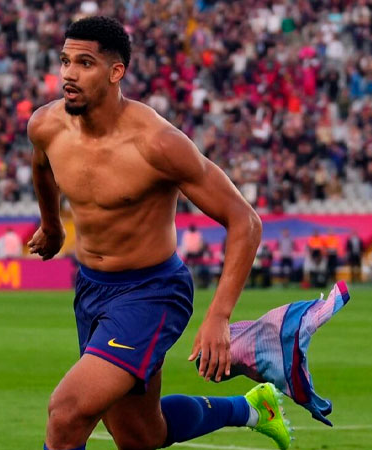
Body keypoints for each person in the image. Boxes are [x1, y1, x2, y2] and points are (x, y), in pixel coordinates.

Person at [27, 16, 291, 450]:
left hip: (152, 292)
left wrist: (219, 316)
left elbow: (245, 221)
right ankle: (251, 409)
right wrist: (52, 226)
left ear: (116, 72)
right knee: (139, 435)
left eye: (85, 63)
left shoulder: (157, 143)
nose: (69, 74)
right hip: (91, 289)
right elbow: (41, 167)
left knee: (67, 413)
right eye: (65, 61)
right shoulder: (46, 126)